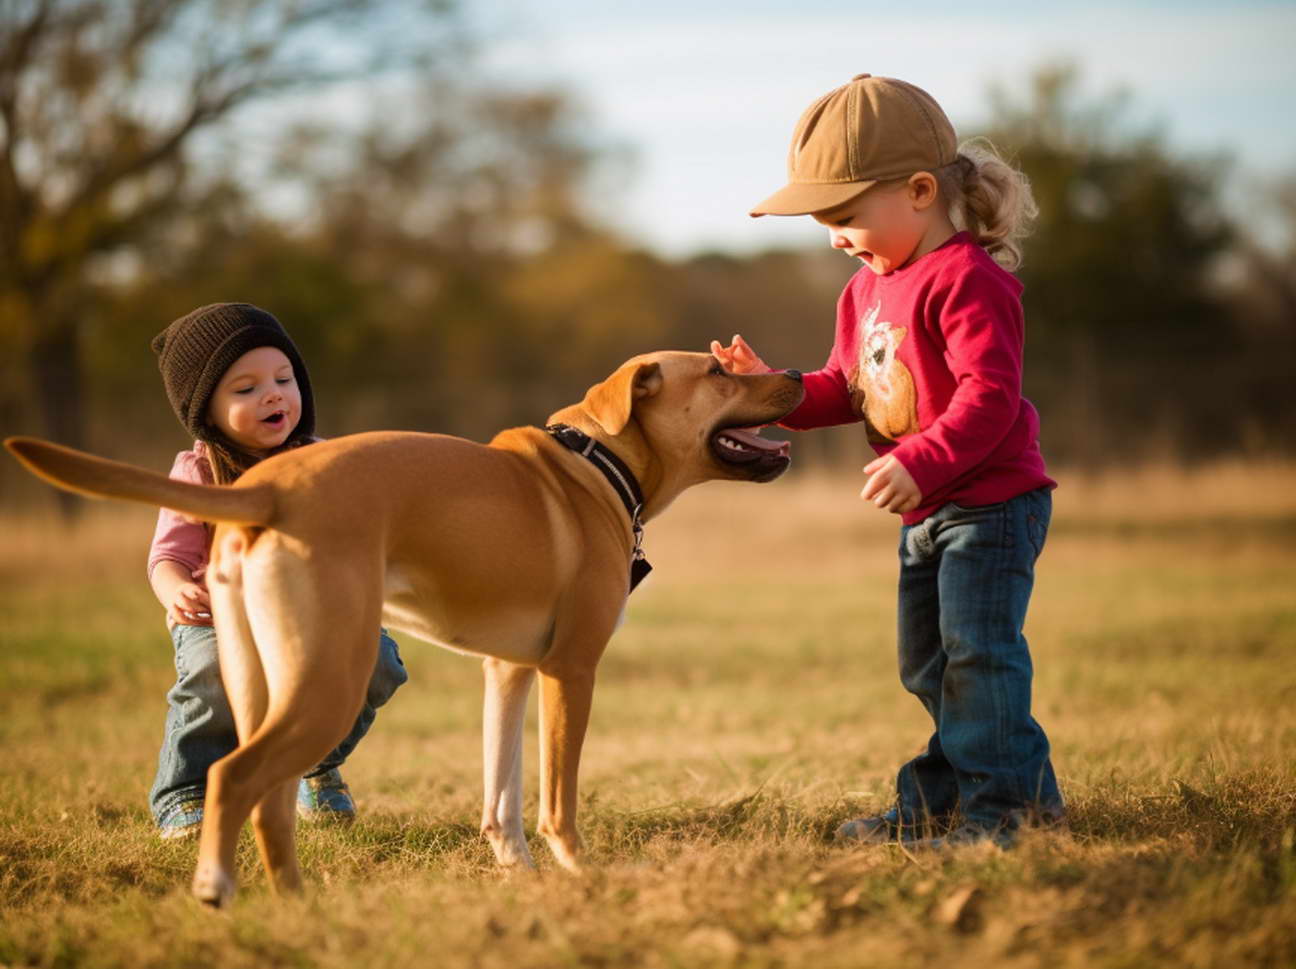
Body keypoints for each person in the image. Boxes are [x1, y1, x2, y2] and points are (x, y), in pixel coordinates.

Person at [712, 74, 1063, 848]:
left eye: (844, 217)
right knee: (930, 664)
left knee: (978, 655)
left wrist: (923, 461)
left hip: (990, 505)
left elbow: (990, 397)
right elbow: (846, 387)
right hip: (930, 510)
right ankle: (955, 798)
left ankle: (1009, 814)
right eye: (824, 224)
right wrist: (769, 388)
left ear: (919, 191)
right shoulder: (864, 293)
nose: (835, 238)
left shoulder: (970, 281)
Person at [147, 302, 408, 840]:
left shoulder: (324, 461)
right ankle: (184, 791)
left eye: (284, 380)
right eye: (245, 389)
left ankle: (313, 761)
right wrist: (174, 588)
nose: (273, 395)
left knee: (379, 664)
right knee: (210, 677)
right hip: (218, 615)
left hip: (316, 609)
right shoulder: (198, 471)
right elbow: (167, 555)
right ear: (205, 410)